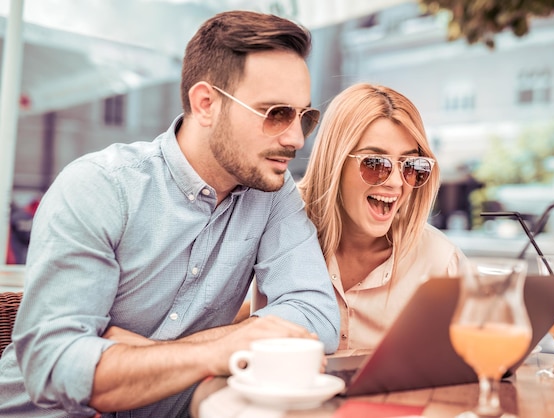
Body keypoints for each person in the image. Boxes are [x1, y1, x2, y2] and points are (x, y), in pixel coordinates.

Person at [0, 10, 340, 418]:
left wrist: (143, 354)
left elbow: (316, 316)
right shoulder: (99, 187)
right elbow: (54, 368)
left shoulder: (272, 192)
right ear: (206, 103)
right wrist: (221, 349)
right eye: (276, 114)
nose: (296, 139)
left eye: (305, 116)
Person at [298, 83, 467, 350]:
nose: (397, 183)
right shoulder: (282, 232)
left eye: (411, 166)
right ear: (335, 162)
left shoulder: (441, 262)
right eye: (375, 164)